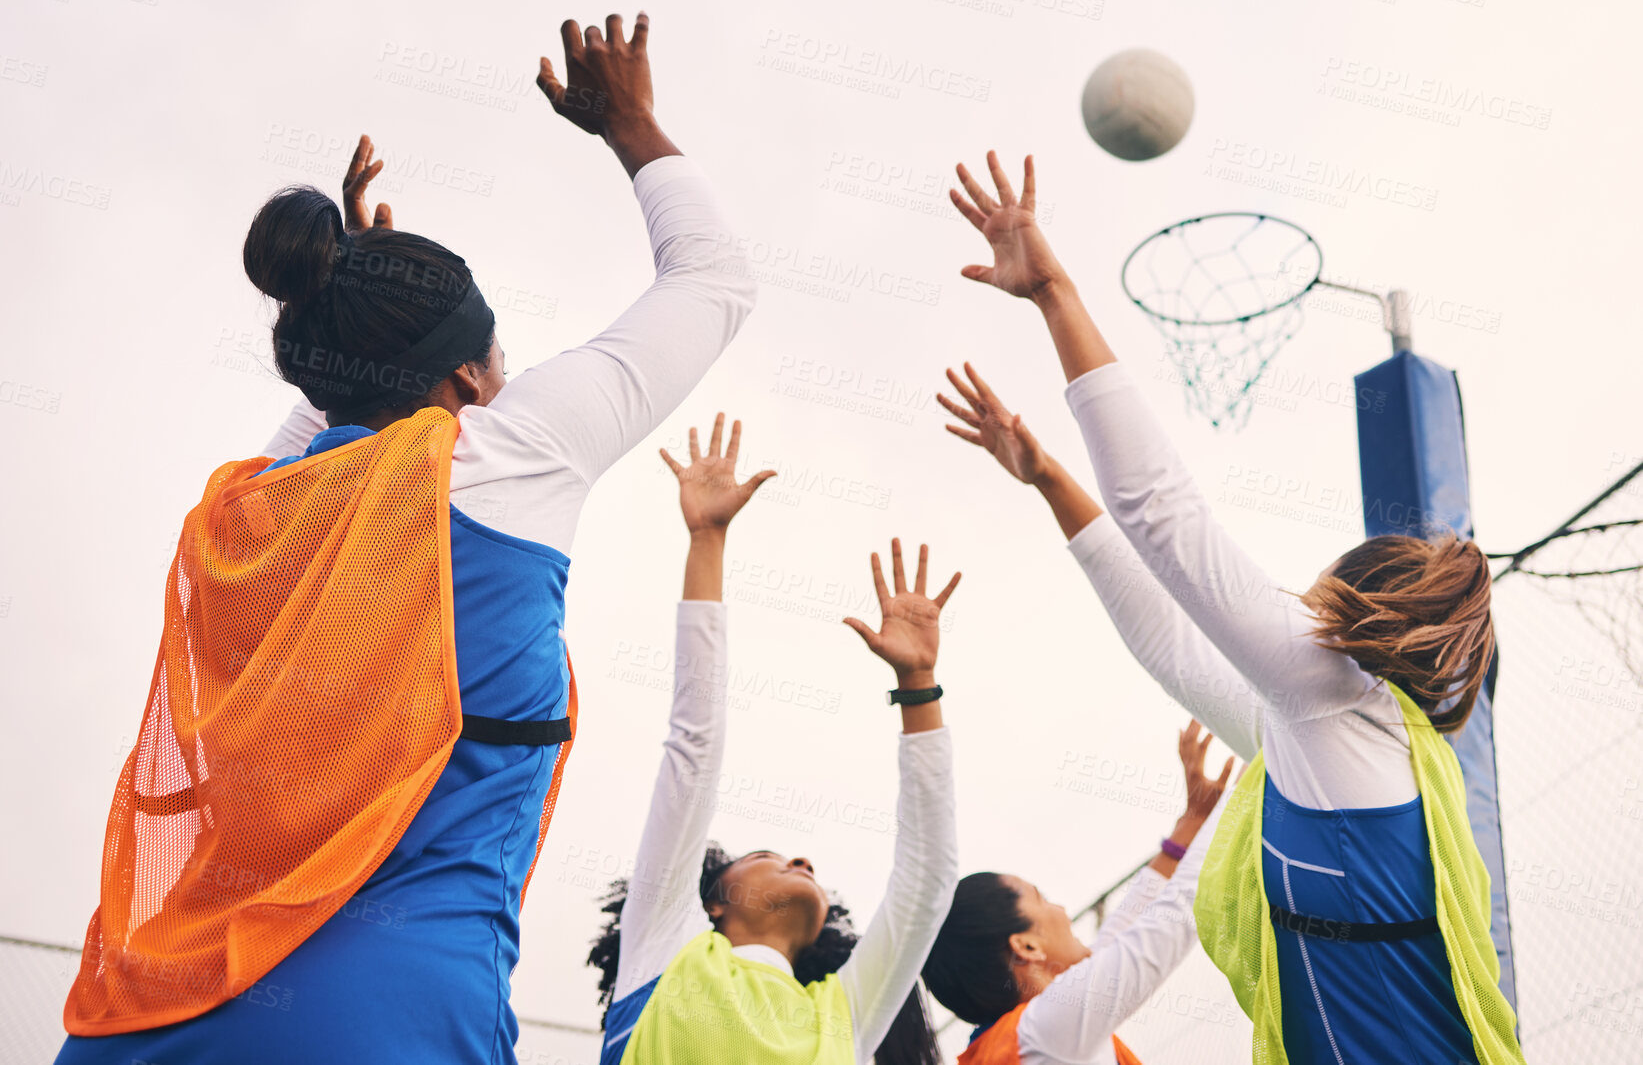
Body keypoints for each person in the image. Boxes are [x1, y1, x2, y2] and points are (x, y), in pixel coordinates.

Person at [57, 13, 757, 1065]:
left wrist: (353, 283)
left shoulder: (239, 520)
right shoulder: (505, 453)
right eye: (500, 362)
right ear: (468, 384)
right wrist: (632, 125)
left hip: (154, 1008)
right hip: (386, 1017)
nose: (508, 381)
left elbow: (331, 421)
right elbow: (715, 277)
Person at [936, 151, 1524, 1065]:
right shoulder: (1332, 734)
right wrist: (1050, 480)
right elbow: (1166, 638)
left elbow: (1161, 515)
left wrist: (1055, 292)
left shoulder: (1324, 692)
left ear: (1343, 604)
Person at [587, 414, 958, 1064]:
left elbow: (927, 879)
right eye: (766, 854)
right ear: (712, 905)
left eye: (775, 853)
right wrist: (707, 540)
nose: (804, 861)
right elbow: (692, 747)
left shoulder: (844, 1013)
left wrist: (918, 683)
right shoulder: (665, 948)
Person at [923, 721, 1230, 1065]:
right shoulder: (1042, 1032)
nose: (1062, 909)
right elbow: (1165, 926)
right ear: (1026, 946)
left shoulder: (1013, 1041)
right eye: (1041, 899)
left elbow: (1125, 931)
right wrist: (1259, 775)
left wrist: (1195, 819)